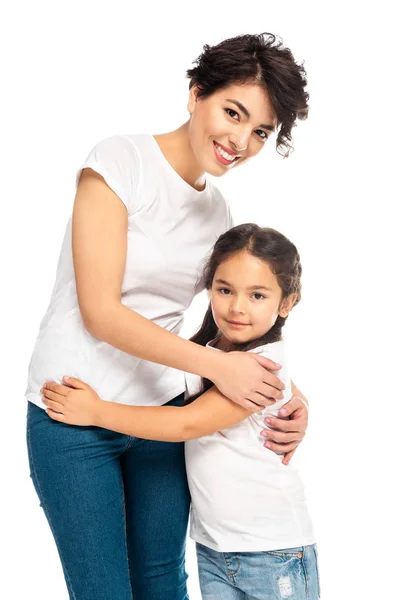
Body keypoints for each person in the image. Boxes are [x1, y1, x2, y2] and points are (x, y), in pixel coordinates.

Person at [26, 33, 310, 600]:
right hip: (73, 411)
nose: (240, 141)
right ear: (195, 92)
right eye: (233, 113)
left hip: (161, 413)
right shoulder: (117, 162)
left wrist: (282, 389)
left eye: (260, 131)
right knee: (104, 591)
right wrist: (218, 368)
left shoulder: (218, 212)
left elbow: (226, 326)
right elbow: (100, 310)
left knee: (163, 584)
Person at [42, 224, 320, 600]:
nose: (237, 307)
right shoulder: (210, 351)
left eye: (257, 295)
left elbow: (185, 422)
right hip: (216, 550)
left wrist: (96, 411)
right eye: (225, 290)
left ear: (287, 303)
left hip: (272, 550)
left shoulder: (262, 367)